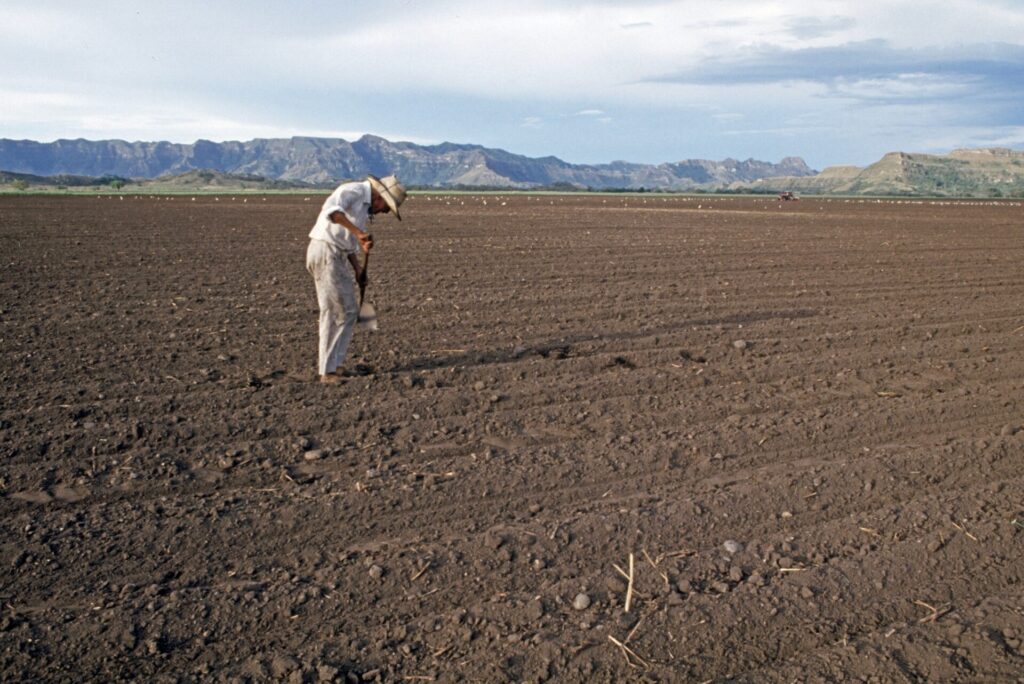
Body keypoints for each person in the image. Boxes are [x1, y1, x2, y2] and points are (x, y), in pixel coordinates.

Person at [306, 174, 406, 383]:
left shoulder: (363, 208)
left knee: (349, 310)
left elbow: (348, 242)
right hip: (325, 251)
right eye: (386, 207)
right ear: (379, 197)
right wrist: (359, 233)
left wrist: (358, 269)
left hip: (336, 255)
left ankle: (337, 366)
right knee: (335, 311)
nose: (385, 211)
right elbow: (331, 212)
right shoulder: (354, 191)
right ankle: (327, 371)